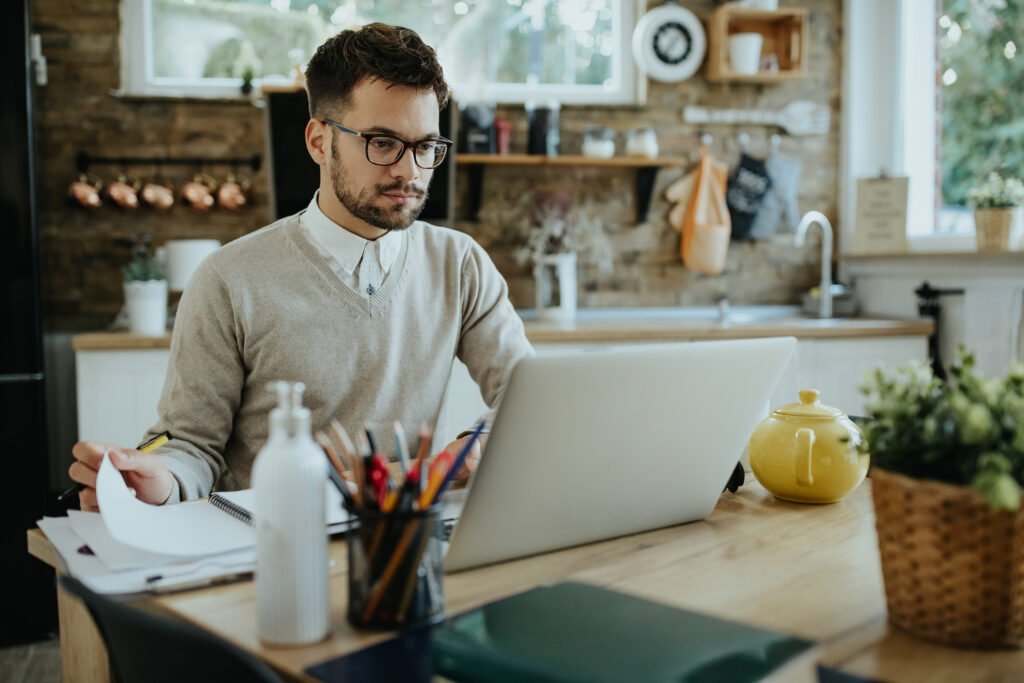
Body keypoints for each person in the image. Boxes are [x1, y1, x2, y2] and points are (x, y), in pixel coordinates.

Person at [69, 23, 533, 511]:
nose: (409, 171)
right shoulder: (228, 279)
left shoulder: (459, 265)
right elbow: (189, 446)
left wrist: (476, 442)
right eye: (382, 142)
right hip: (268, 546)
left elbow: (529, 400)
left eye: (425, 146)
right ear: (318, 141)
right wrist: (155, 480)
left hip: (398, 539)